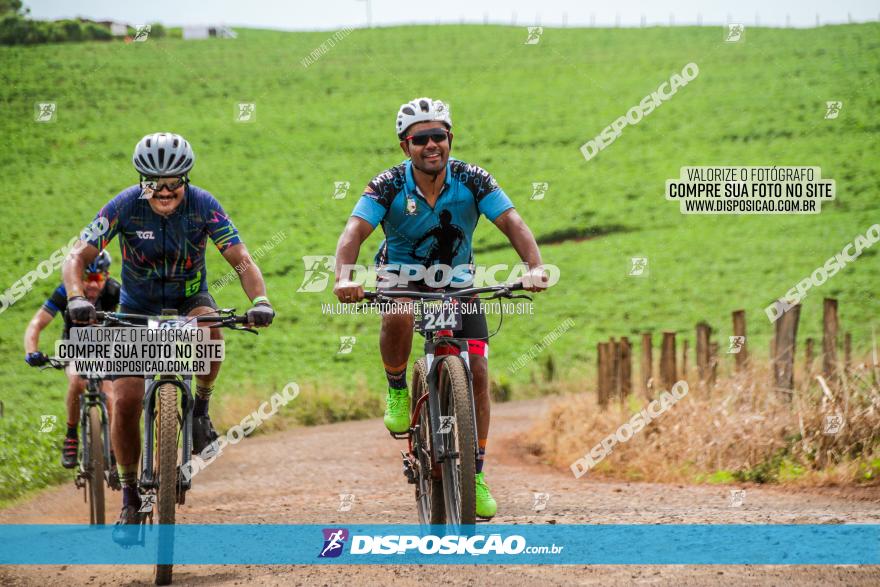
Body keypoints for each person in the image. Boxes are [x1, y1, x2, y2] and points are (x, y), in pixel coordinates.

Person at [332, 98, 549, 519]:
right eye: (420, 139)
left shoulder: (473, 179)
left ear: (450, 139)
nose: (431, 145)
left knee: (480, 372)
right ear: (405, 146)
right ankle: (397, 389)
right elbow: (352, 232)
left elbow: (513, 224)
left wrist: (535, 268)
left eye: (439, 136)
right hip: (401, 275)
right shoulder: (388, 184)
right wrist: (344, 277)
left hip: (458, 281)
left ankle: (477, 472)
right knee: (397, 310)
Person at [62, 132, 275, 535]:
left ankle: (201, 410)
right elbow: (77, 256)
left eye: (173, 180)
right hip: (136, 310)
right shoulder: (124, 205)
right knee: (124, 401)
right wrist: (75, 296)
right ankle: (129, 495)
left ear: (186, 178)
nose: (163, 190)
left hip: (189, 297)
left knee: (211, 328)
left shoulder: (204, 206)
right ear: (141, 180)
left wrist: (260, 300)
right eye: (153, 181)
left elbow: (241, 259)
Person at [24, 251, 119, 469]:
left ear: (107, 276)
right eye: (87, 278)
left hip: (105, 348)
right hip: (74, 347)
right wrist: (32, 351)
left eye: (98, 279)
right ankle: (71, 435)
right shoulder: (65, 292)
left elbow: (136, 319)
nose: (93, 286)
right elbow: (36, 324)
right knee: (76, 381)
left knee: (111, 394)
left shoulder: (115, 290)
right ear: (78, 276)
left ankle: (114, 448)